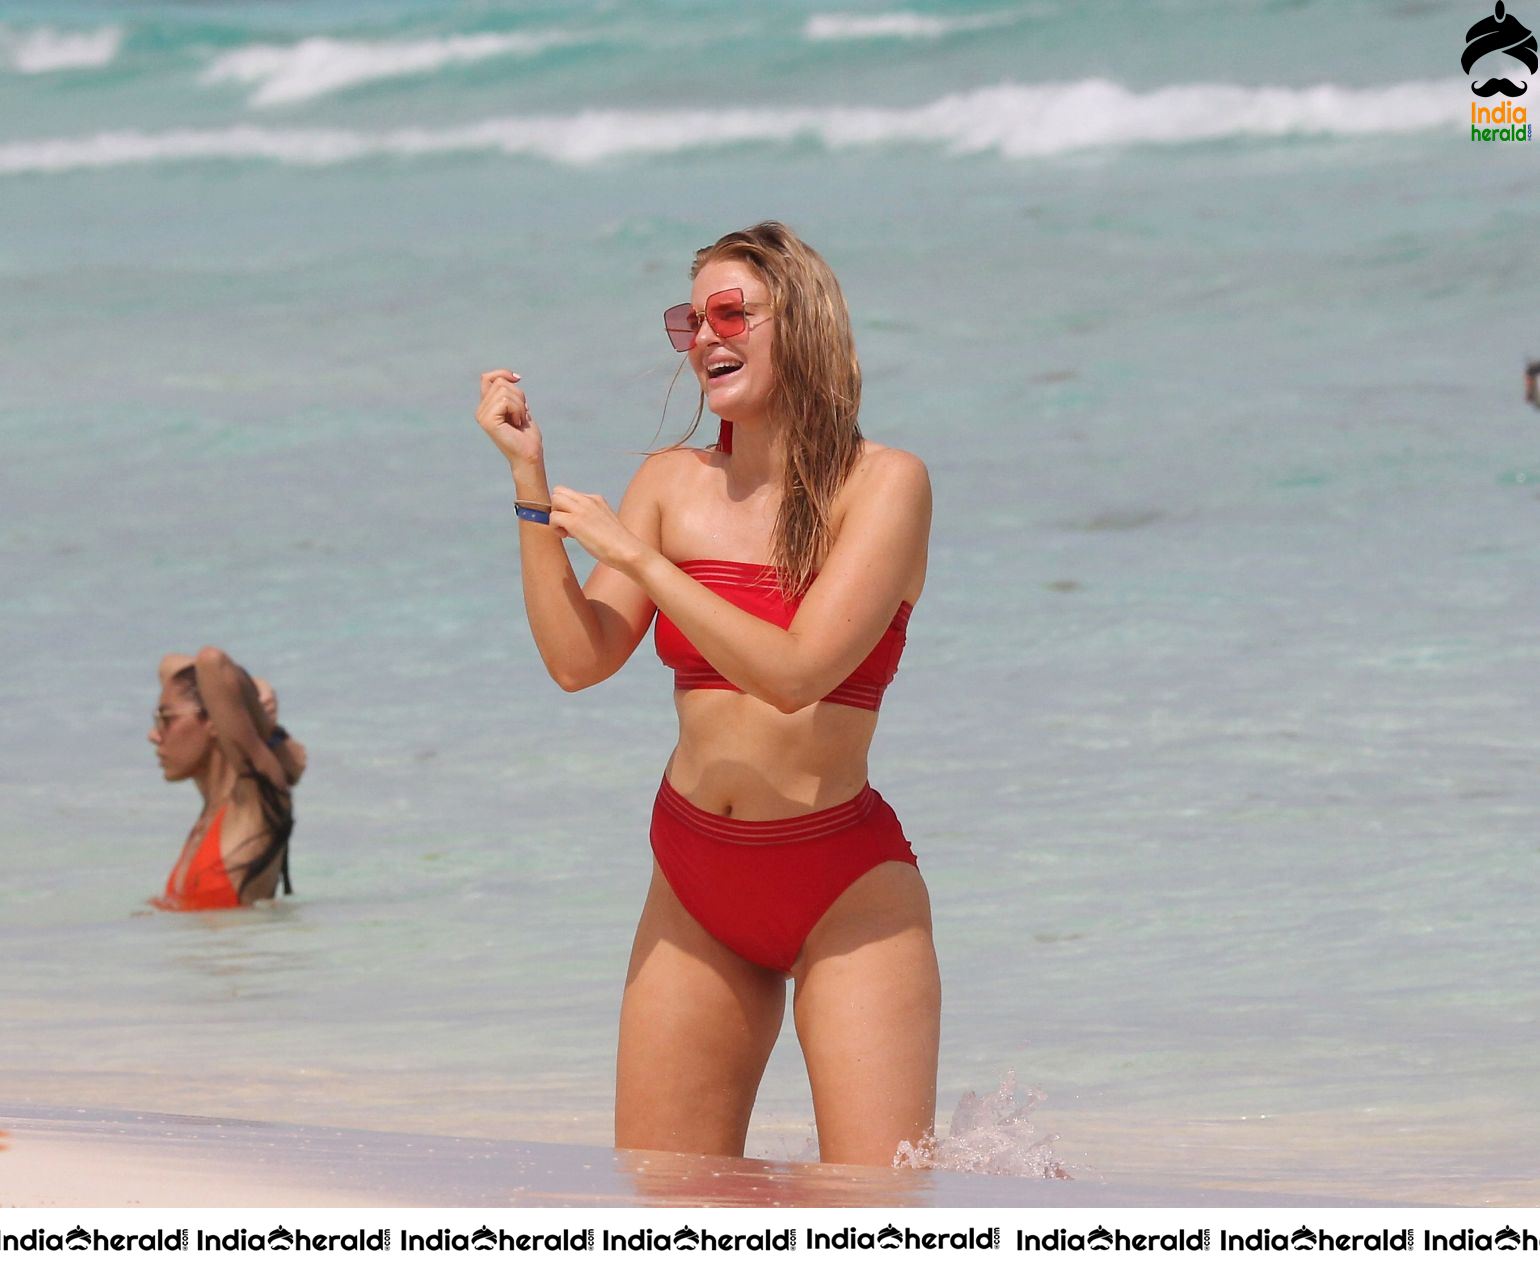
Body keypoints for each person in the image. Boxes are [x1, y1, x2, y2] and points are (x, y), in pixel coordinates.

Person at [475, 222, 939, 1166]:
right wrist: (531, 490)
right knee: (666, 1202)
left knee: (875, 1214)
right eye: (691, 320)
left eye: (732, 313)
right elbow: (578, 658)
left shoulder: (885, 485)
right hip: (693, 877)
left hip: (843, 886)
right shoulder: (668, 482)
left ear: (802, 323)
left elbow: (797, 672)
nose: (706, 338)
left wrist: (640, 556)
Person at [149, 647, 298, 910]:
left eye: (166, 719)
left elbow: (212, 661)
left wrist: (256, 696)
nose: (154, 734)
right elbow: (168, 664)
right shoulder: (210, 813)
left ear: (214, 722)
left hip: (240, 952)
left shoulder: (255, 803)